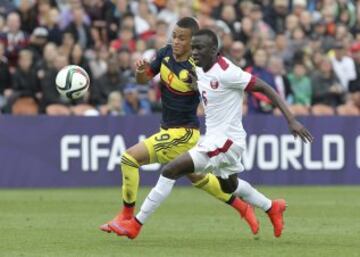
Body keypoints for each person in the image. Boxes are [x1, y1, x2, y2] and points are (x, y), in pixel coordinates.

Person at [108, 29, 314, 240]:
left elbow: (265, 88)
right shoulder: (200, 69)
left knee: (170, 170)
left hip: (226, 142)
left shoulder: (228, 71)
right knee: (229, 185)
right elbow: (205, 86)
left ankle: (135, 224)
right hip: (216, 139)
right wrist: (191, 82)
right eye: (193, 48)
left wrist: (291, 120)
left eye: (199, 48)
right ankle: (271, 207)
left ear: (214, 51)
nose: (194, 53)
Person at [100, 18, 259, 235]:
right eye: (174, 36)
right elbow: (143, 80)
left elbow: (214, 93)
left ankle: (126, 217)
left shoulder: (199, 68)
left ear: (193, 42)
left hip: (184, 133)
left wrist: (197, 85)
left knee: (129, 158)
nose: (175, 41)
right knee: (201, 180)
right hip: (168, 130)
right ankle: (244, 208)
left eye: (182, 38)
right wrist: (141, 71)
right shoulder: (164, 54)